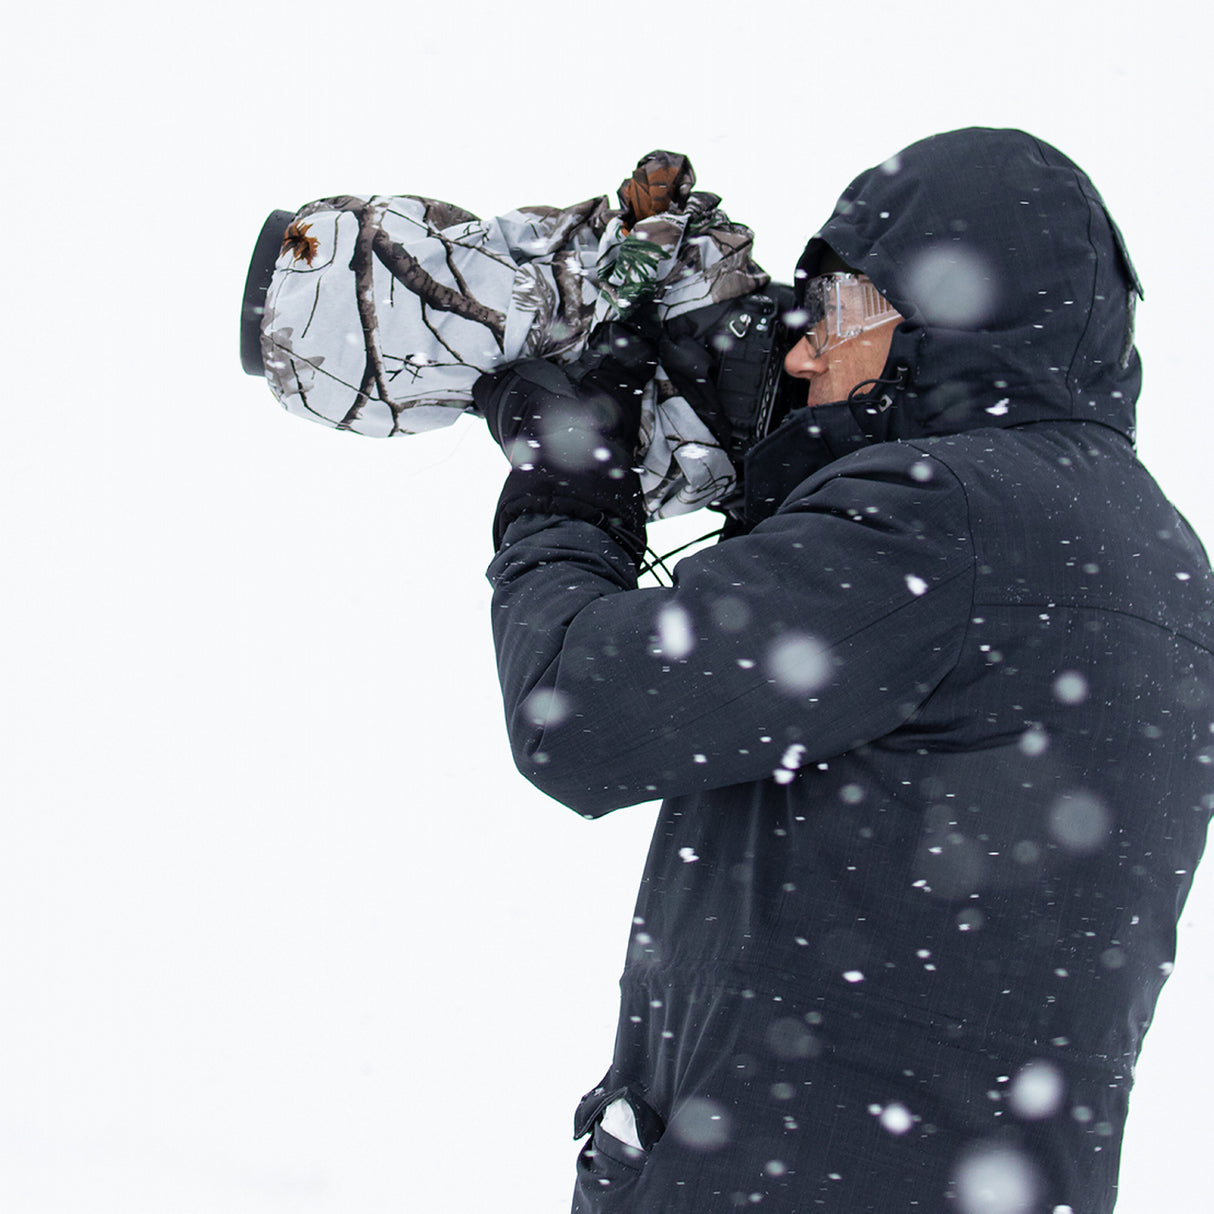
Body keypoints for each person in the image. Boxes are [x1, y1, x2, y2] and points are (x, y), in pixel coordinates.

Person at [475, 128, 1214, 1213]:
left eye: (833, 316)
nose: (801, 355)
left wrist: (564, 495)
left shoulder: (937, 516)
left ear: (938, 321)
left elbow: (580, 714)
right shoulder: (1154, 554)